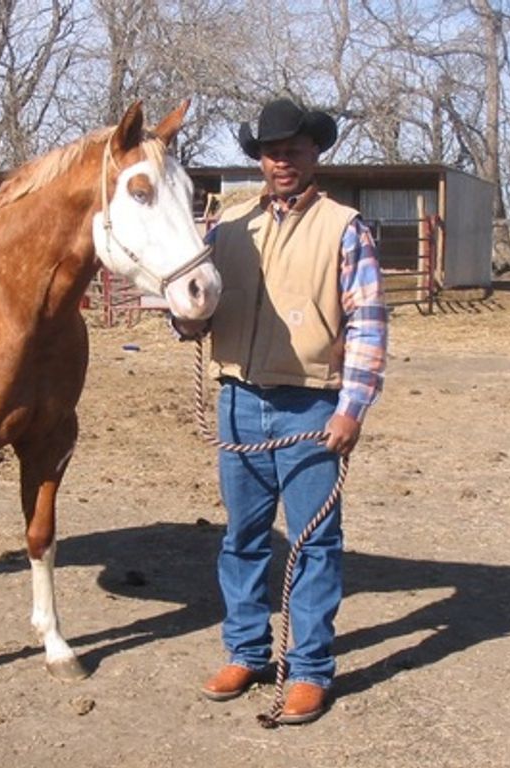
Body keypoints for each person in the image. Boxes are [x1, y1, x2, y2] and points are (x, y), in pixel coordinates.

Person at [173, 97, 388, 724]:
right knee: (242, 539)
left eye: (293, 149)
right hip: (238, 400)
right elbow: (199, 313)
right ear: (259, 160)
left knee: (315, 543)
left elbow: (369, 326)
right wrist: (186, 320)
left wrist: (351, 409)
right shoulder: (228, 229)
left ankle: (311, 669)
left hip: (312, 406)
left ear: (314, 154)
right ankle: (246, 651)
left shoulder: (345, 227)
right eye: (271, 152)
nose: (282, 161)